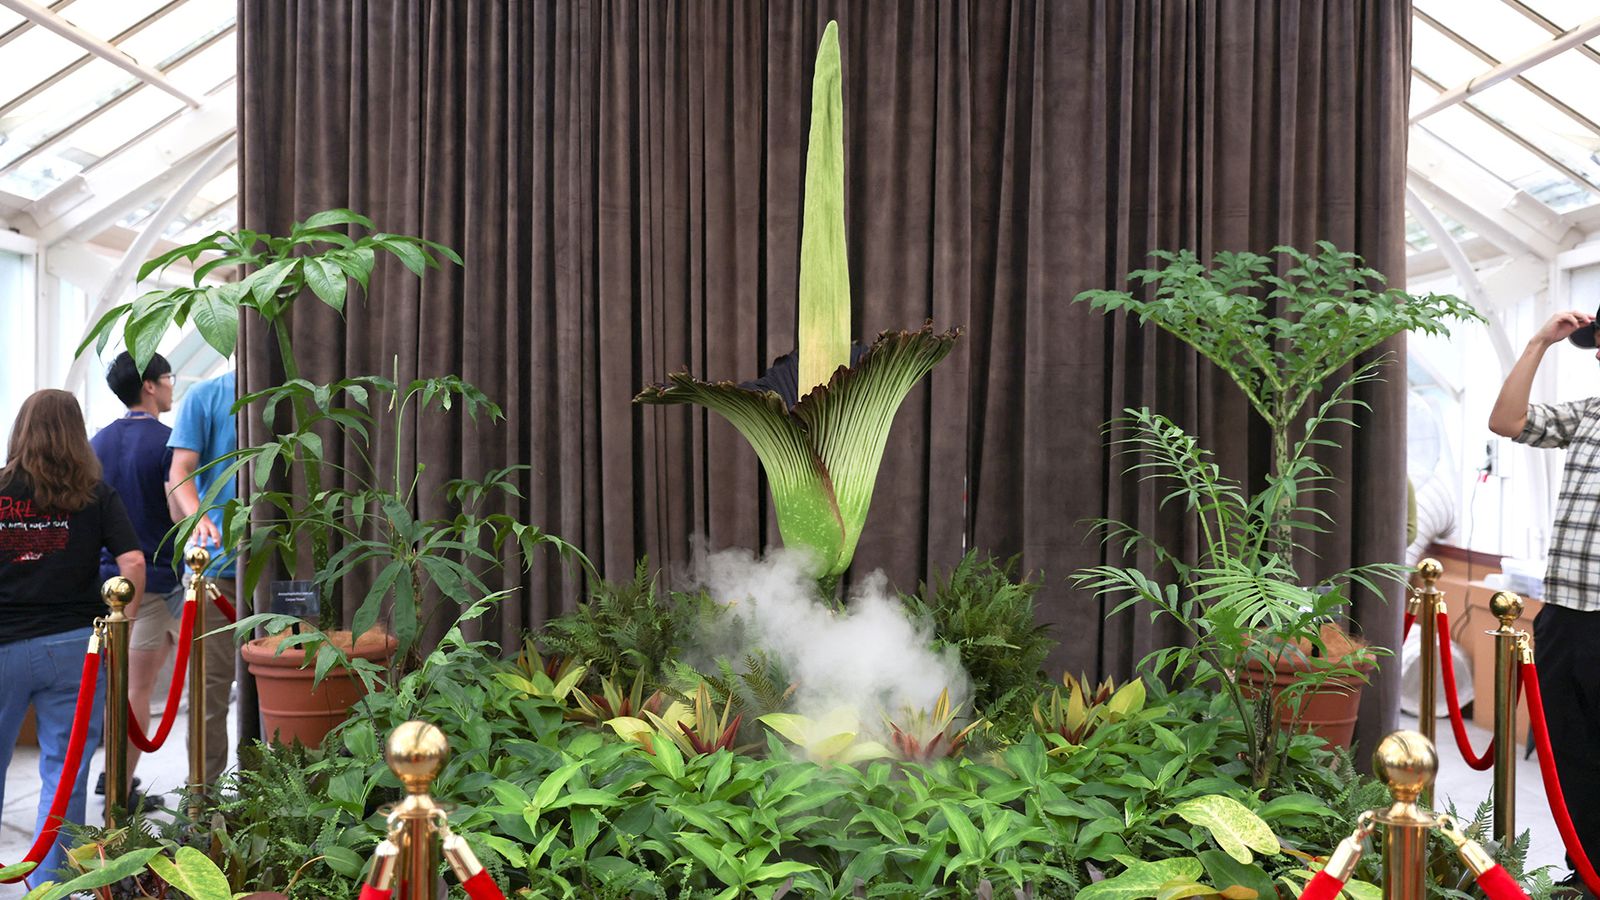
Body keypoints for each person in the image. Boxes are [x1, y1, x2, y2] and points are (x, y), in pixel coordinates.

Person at [0, 389, 145, 881]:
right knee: (65, 777)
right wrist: (125, 623)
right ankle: (50, 890)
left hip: (2, 646)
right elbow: (132, 562)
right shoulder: (94, 494)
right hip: (73, 650)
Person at [1488, 308, 1600, 887]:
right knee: (1571, 757)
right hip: (1564, 616)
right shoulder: (1588, 415)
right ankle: (1586, 872)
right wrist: (1538, 342)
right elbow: (1506, 421)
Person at [90, 352, 177, 802]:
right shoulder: (168, 442)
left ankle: (114, 772)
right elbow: (177, 509)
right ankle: (120, 791)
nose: (170, 386)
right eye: (167, 378)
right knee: (136, 688)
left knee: (112, 685)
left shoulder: (96, 442)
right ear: (148, 385)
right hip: (152, 583)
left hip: (103, 584)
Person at [167, 370, 237, 781]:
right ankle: (204, 801)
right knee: (210, 692)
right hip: (218, 571)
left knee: (286, 688)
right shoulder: (206, 395)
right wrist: (200, 517)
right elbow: (181, 469)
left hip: (287, 568)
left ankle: (284, 801)